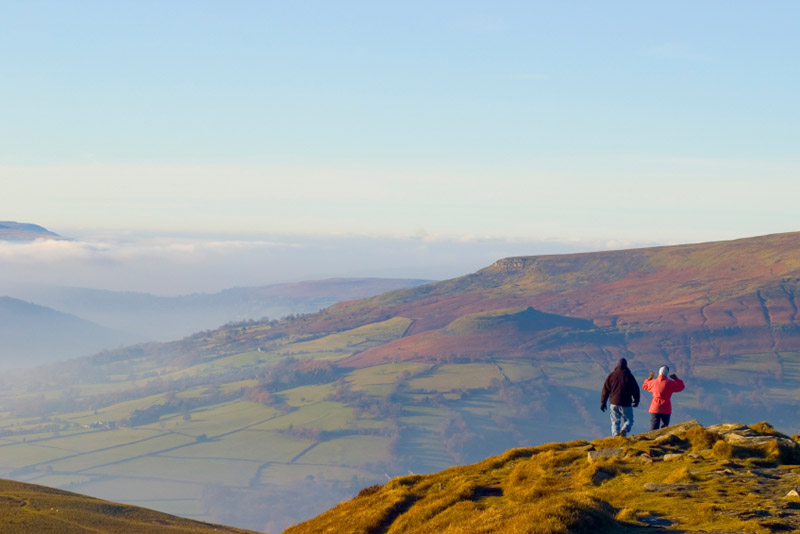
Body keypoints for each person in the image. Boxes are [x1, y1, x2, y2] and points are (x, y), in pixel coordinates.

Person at [600, 358, 640, 437]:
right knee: (629, 420)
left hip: (614, 403)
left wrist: (603, 402)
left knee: (615, 421)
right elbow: (635, 390)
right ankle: (624, 430)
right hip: (626, 403)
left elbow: (605, 389)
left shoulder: (611, 375)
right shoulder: (629, 376)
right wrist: (636, 400)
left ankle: (615, 437)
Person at [642, 365, 685, 430]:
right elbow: (681, 387)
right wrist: (676, 379)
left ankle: (653, 438)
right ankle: (663, 439)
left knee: (654, 425)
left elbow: (645, 386)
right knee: (665, 426)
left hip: (655, 406)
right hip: (666, 406)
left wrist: (649, 379)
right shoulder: (670, 383)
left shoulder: (653, 382)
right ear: (667, 373)